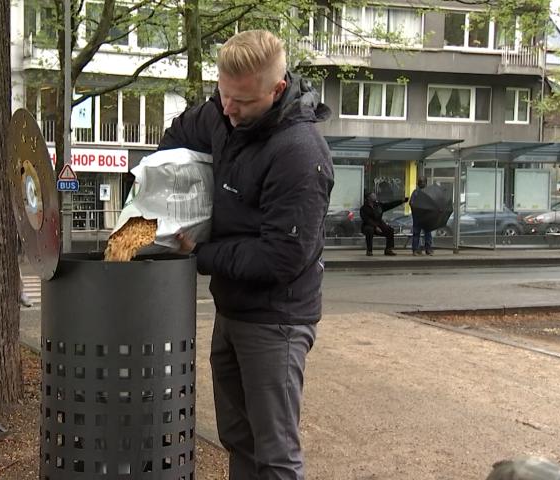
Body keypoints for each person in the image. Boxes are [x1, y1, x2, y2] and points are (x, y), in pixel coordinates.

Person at [160, 30, 334, 479]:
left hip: (278, 319)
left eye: (243, 102)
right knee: (238, 439)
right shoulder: (224, 111)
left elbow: (280, 258)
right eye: (224, 96)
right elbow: (180, 134)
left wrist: (200, 252)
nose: (230, 110)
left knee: (274, 452)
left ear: (277, 91)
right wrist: (162, 189)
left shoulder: (299, 152)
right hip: (232, 309)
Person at [359, 192, 406, 256]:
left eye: (374, 195)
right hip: (368, 225)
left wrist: (401, 201)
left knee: (390, 230)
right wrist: (375, 227)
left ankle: (388, 249)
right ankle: (369, 250)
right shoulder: (364, 208)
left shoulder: (378, 205)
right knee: (369, 230)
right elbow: (367, 220)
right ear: (368, 198)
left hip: (379, 224)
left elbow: (389, 205)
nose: (375, 196)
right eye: (373, 195)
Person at [409, 177, 434, 256]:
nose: (421, 183)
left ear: (426, 183)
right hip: (418, 216)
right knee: (416, 233)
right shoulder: (416, 193)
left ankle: (428, 249)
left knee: (428, 233)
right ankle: (416, 249)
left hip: (426, 216)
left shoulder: (429, 192)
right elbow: (411, 203)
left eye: (423, 182)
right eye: (420, 182)